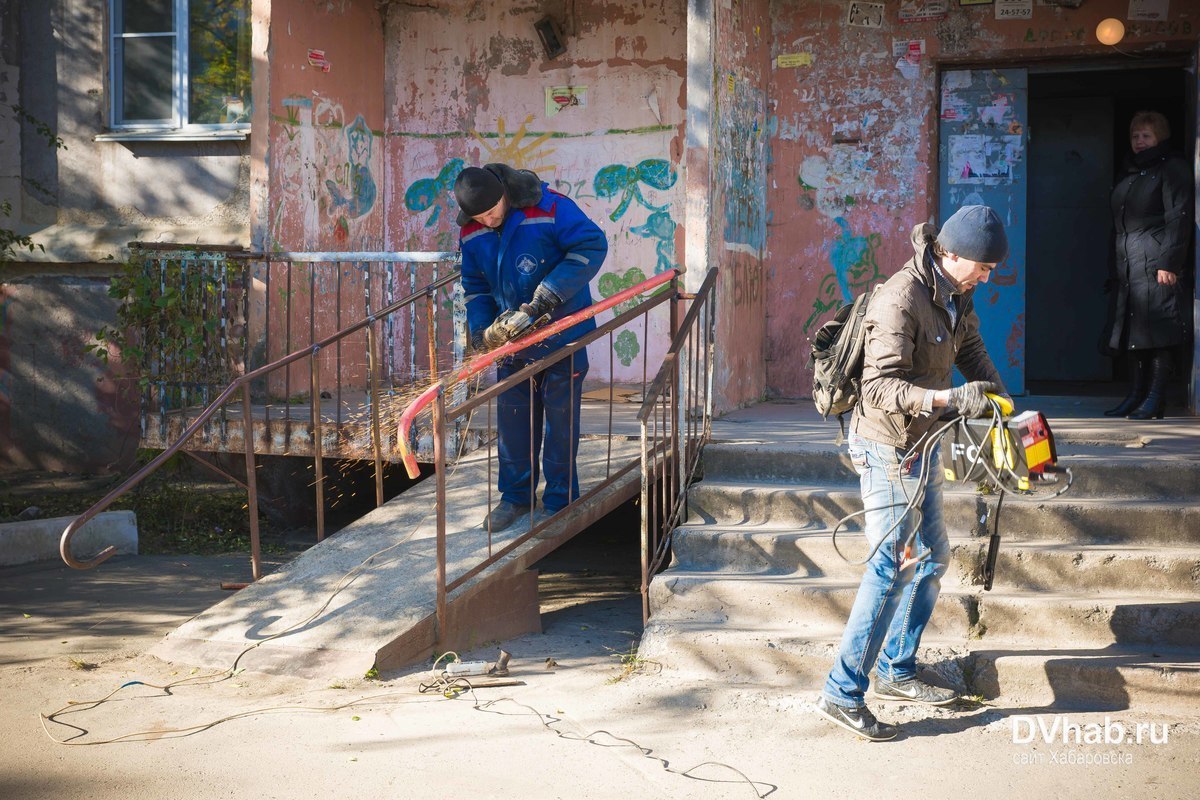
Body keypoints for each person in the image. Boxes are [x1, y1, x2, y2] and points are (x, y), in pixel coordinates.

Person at [816, 205, 1010, 741]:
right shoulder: (899, 297)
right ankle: (841, 691)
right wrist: (949, 396)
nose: (988, 276)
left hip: (922, 443)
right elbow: (878, 388)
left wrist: (1003, 402)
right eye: (983, 266)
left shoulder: (954, 292)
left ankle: (895, 670)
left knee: (933, 558)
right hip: (887, 447)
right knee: (890, 568)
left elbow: (968, 346)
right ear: (950, 254)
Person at [454, 163, 608, 532]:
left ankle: (559, 501)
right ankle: (514, 499)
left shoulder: (551, 207)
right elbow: (474, 287)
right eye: (479, 216)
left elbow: (592, 245)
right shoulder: (472, 232)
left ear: (504, 195)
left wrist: (545, 298)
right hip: (513, 346)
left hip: (562, 335)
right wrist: (482, 334)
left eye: (492, 212)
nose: (489, 221)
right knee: (514, 425)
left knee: (559, 424)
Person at [1103, 110, 1193, 420]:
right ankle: (1135, 396)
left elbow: (1179, 217)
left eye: (1147, 136)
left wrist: (1170, 262)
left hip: (1158, 265)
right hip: (1130, 265)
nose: (1140, 142)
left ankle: (1155, 399)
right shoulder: (1130, 172)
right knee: (1133, 332)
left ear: (1161, 137)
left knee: (1160, 332)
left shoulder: (1172, 168)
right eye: (1135, 136)